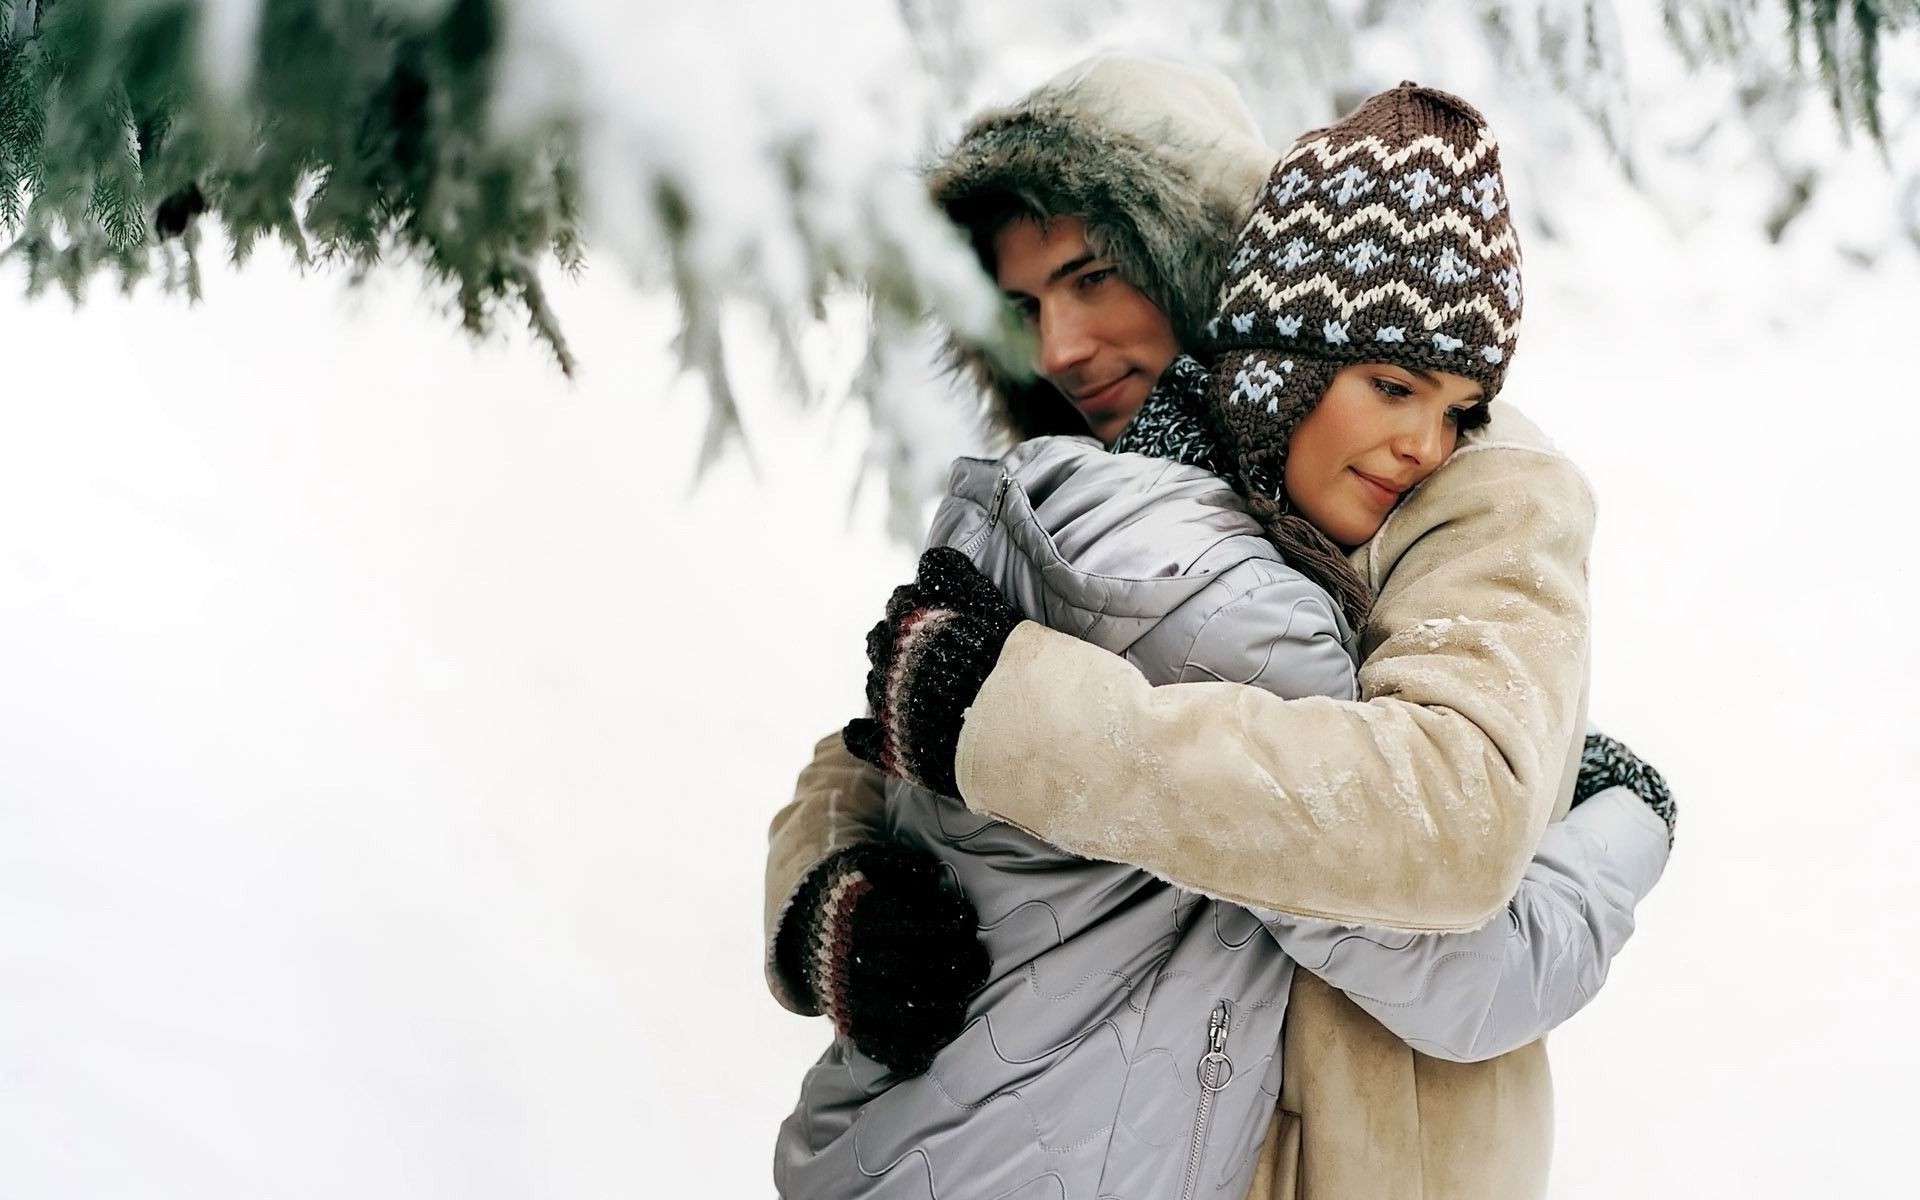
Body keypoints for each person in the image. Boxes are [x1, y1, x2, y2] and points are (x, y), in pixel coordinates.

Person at [768, 59, 1674, 1199]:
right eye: (1025, 306)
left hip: (1370, 1151)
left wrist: (1009, 724)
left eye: (1093, 277)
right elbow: (872, 739)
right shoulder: (1100, 496)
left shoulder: (1471, 486)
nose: (1059, 347)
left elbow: (1449, 815)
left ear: (1197, 250)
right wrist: (831, 899)